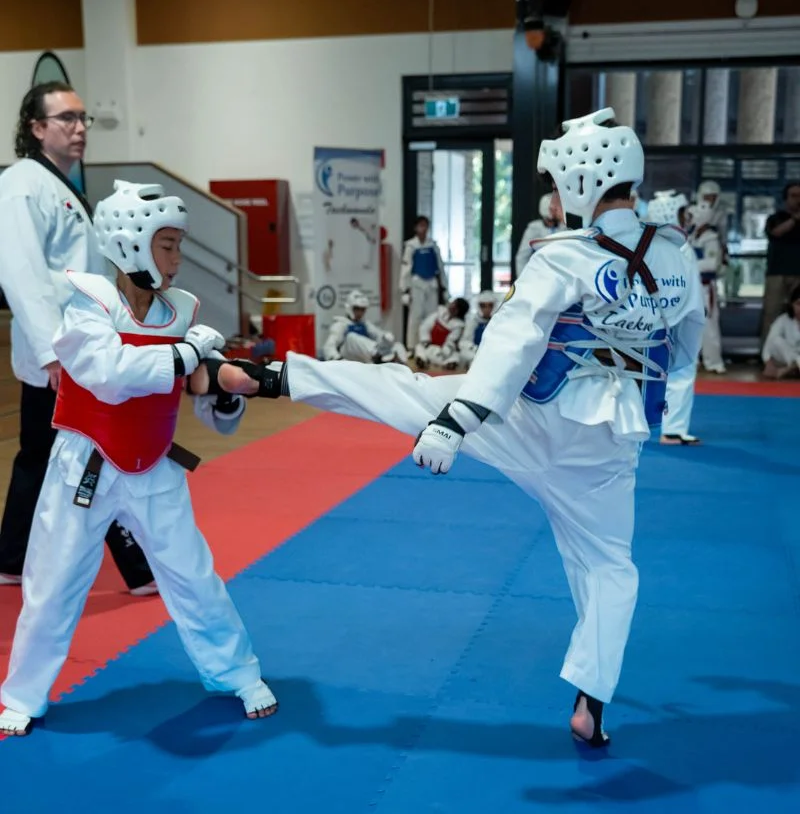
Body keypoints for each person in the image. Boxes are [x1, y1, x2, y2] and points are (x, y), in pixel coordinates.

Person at [211, 108, 706, 746]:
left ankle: (279, 378)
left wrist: (455, 421)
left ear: (583, 179)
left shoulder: (563, 258)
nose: (553, 201)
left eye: (556, 185)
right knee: (611, 569)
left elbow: (509, 345)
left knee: (406, 388)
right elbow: (687, 347)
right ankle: (592, 700)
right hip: (611, 442)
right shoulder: (675, 255)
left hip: (536, 420)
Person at [0, 181, 277, 736]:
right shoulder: (88, 305)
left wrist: (224, 394)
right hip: (85, 467)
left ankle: (236, 672)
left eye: (177, 245)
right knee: (52, 583)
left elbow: (200, 391)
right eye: (166, 245)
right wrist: (189, 353)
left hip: (154, 467)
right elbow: (111, 375)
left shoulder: (182, 312)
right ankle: (23, 694)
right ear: (129, 245)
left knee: (194, 577)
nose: (177, 260)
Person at [0, 81, 154, 594]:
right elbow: (20, 272)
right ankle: (136, 567)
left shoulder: (61, 184)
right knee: (95, 449)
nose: (80, 127)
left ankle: (12, 557)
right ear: (36, 128)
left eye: (83, 118)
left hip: (82, 343)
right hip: (61, 351)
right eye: (66, 118)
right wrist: (50, 353)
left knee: (42, 454)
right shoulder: (23, 182)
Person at [646, 190, 702, 445]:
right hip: (677, 314)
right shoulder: (680, 246)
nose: (686, 217)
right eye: (682, 213)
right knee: (682, 367)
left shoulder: (644, 242)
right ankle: (674, 429)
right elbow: (689, 287)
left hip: (648, 316)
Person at [687, 201, 726, 374]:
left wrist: (688, 263)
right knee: (690, 324)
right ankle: (692, 360)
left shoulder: (711, 238)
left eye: (692, 216)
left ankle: (714, 361)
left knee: (709, 326)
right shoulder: (691, 235)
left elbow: (712, 264)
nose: (689, 219)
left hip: (705, 288)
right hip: (692, 287)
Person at [761, 182, 800, 348]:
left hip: (798, 273)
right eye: (794, 196)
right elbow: (776, 232)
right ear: (785, 199)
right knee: (772, 313)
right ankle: (767, 355)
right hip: (777, 273)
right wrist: (795, 219)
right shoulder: (775, 218)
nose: (798, 200)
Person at [400, 215, 446, 352]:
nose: (423, 228)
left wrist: (444, 286)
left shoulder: (433, 245)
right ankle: (412, 346)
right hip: (417, 283)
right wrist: (404, 290)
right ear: (415, 228)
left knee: (431, 315)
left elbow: (440, 268)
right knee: (415, 316)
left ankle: (428, 345)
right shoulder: (410, 246)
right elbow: (405, 269)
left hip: (431, 283)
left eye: (425, 225)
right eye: (420, 225)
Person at [323, 289, 407, 363]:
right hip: (347, 359)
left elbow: (378, 334)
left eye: (362, 309)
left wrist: (386, 339)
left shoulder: (365, 324)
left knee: (397, 345)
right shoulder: (341, 324)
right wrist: (337, 360)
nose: (360, 313)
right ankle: (377, 355)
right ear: (349, 307)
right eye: (357, 309)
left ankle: (400, 366)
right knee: (351, 337)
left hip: (365, 359)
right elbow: (329, 346)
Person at [515, 193, 566, 278]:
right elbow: (522, 257)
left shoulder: (565, 228)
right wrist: (522, 280)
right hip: (540, 274)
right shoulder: (534, 228)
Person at [414, 298, 469, 371]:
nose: (452, 307)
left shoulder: (459, 325)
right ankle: (422, 360)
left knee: (455, 355)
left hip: (441, 353)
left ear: (459, 312)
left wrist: (443, 353)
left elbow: (451, 341)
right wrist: (426, 342)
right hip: (429, 346)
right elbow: (425, 326)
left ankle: (449, 363)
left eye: (455, 307)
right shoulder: (439, 313)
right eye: (453, 304)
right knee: (419, 347)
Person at [762, 284, 800, 379]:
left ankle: (788, 370)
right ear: (792, 304)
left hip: (790, 364)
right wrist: (768, 364)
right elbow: (769, 344)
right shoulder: (783, 319)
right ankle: (793, 369)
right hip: (788, 358)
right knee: (776, 340)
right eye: (798, 304)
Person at [460, 290, 498, 369]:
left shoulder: (497, 322)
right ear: (478, 306)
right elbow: (463, 342)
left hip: (493, 353)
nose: (486, 309)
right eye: (483, 305)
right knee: (466, 355)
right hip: (475, 352)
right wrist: (475, 348)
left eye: (490, 305)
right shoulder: (472, 321)